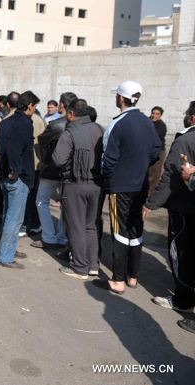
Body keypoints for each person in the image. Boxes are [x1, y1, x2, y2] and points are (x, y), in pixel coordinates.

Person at [97, 81, 160, 295]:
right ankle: (133, 276)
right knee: (135, 229)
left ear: (121, 99)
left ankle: (117, 279)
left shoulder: (118, 123)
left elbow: (108, 159)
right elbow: (155, 152)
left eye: (117, 96)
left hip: (120, 185)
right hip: (139, 185)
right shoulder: (147, 122)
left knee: (120, 231)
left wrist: (108, 177)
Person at [143, 102, 195, 320]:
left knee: (181, 253)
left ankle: (183, 299)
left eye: (187, 113)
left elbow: (171, 178)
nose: (185, 116)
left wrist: (151, 203)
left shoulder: (185, 140)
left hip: (184, 207)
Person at [52, 100, 104, 280]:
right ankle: (92, 265)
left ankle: (79, 267)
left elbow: (58, 159)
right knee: (90, 225)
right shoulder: (99, 129)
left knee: (75, 226)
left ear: (72, 113)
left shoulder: (70, 132)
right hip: (96, 184)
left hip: (75, 183)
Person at [0, 91, 41, 269]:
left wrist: (7, 168)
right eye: (34, 106)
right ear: (29, 105)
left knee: (9, 215)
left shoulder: (6, 121)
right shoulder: (24, 124)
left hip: (6, 175)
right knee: (15, 219)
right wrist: (15, 170)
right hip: (17, 178)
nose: (35, 110)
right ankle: (5, 256)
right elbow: (13, 147)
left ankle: (9, 249)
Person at [33, 92, 77, 249]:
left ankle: (49, 237)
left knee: (41, 201)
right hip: (71, 171)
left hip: (53, 168)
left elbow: (42, 140)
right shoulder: (81, 125)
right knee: (66, 204)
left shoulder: (56, 124)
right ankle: (62, 237)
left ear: (63, 105)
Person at [148, 106, 167, 196]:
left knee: (154, 173)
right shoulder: (146, 121)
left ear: (160, 115)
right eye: (153, 113)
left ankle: (150, 194)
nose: (154, 115)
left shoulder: (161, 126)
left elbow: (153, 138)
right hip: (146, 151)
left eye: (157, 114)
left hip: (158, 151)